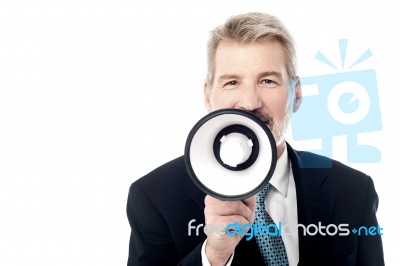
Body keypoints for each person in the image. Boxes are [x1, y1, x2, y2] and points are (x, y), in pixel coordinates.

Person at [126, 12, 384, 265]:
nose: (250, 103)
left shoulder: (354, 192)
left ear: (296, 95)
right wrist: (213, 256)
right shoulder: (154, 198)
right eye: (232, 83)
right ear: (208, 96)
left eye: (268, 81)